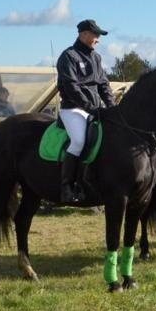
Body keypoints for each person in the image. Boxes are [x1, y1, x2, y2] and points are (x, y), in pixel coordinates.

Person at [55, 19, 115, 203]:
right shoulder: (68, 56)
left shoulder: (96, 58)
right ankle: (67, 186)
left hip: (96, 109)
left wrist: (112, 107)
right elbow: (71, 87)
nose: (98, 39)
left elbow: (104, 85)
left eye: (99, 36)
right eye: (95, 35)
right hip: (73, 109)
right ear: (84, 34)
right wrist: (90, 107)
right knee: (79, 141)